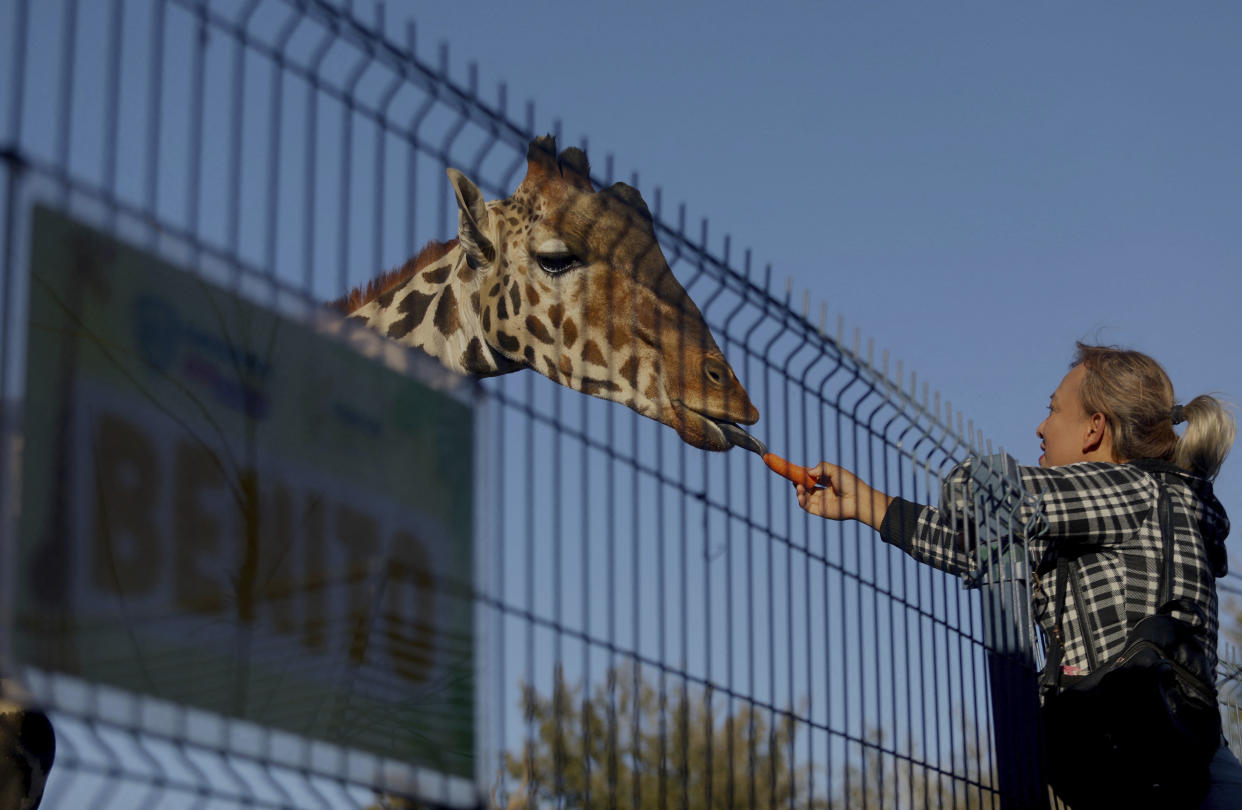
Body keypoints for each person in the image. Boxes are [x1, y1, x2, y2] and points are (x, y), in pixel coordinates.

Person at [794, 343, 1242, 808]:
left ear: (1095, 428)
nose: (1041, 427)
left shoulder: (1133, 491)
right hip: (1179, 771)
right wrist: (867, 503)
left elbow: (983, 494)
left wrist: (977, 484)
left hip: (1165, 785)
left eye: (1053, 410)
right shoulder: (1128, 511)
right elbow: (983, 545)